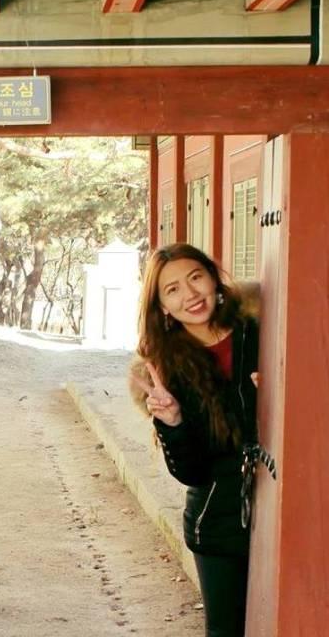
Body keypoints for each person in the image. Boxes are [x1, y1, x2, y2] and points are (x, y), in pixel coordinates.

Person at [129, 243, 261, 637]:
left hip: (287, 503)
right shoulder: (166, 369)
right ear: (163, 307)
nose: (189, 294)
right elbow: (192, 473)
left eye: (195, 278)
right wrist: (173, 422)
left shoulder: (260, 331)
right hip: (219, 521)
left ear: (213, 278)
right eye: (172, 290)